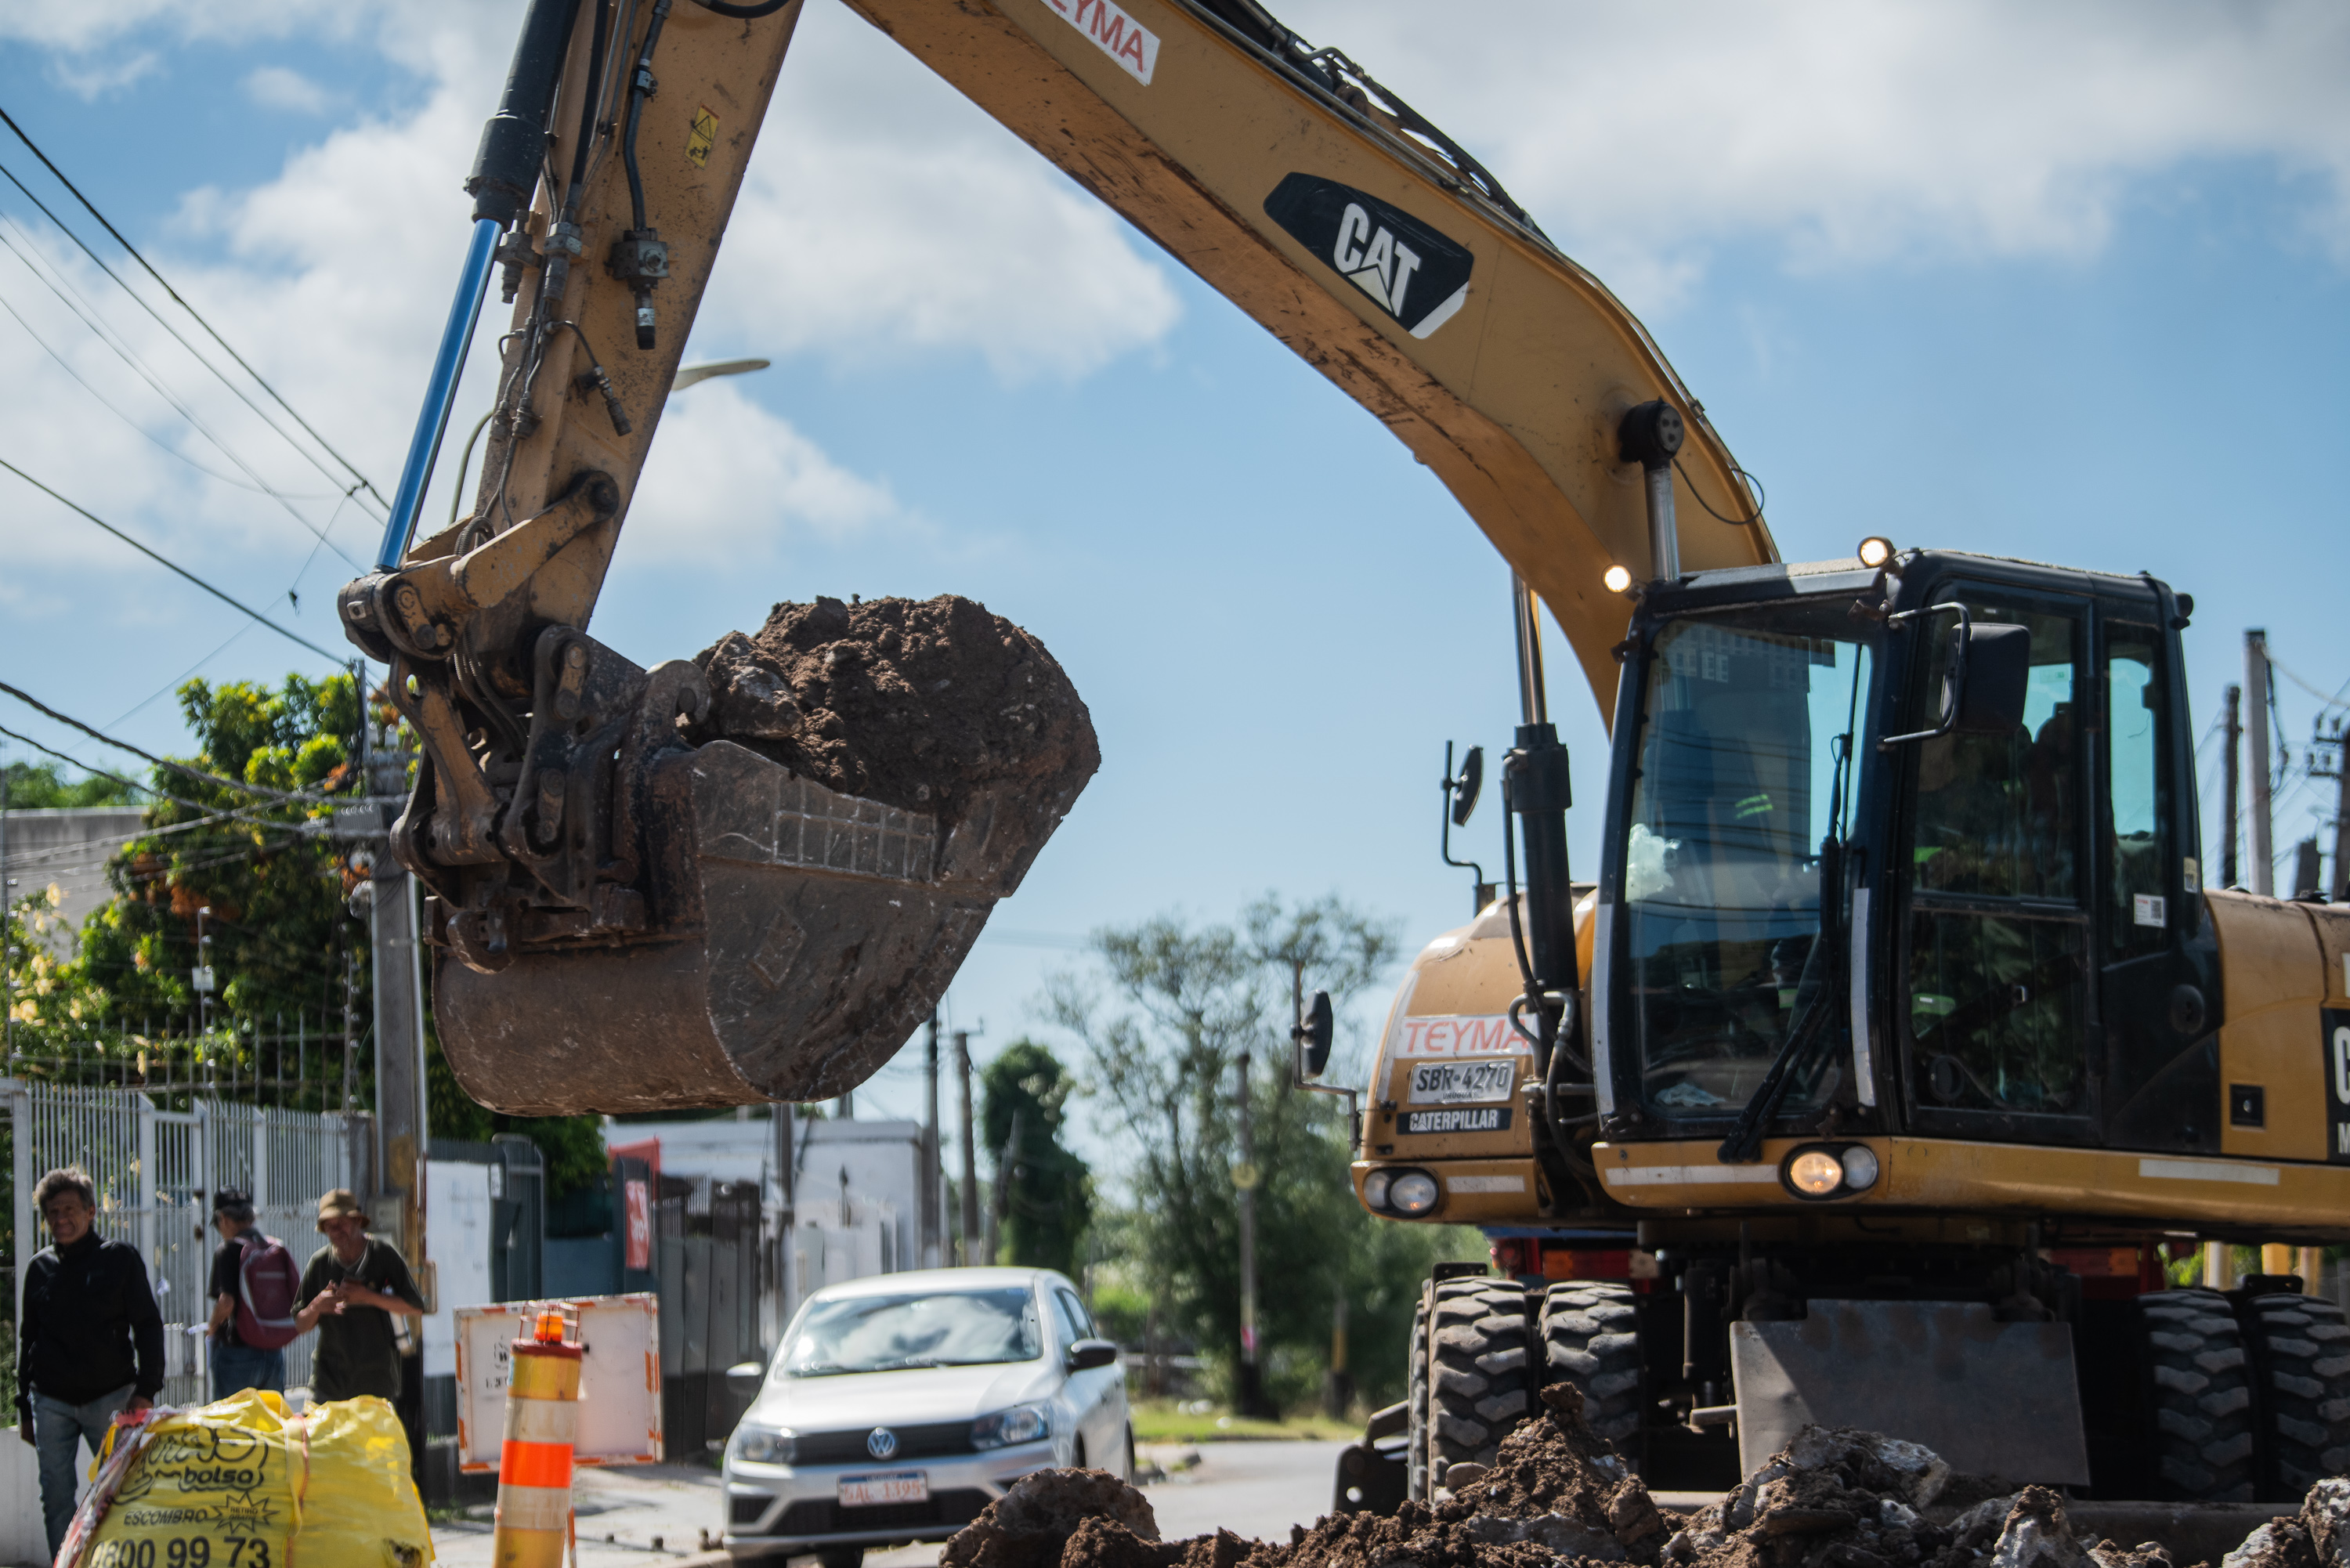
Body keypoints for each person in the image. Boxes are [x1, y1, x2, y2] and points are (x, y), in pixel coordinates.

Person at [16, 1165, 164, 1559]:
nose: (61, 1219)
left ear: (91, 1211)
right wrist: (24, 1409)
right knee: (57, 1496)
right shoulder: (39, 1268)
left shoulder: (120, 1259)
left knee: (118, 1492)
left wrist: (146, 1389)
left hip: (112, 1399)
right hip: (51, 1401)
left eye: (69, 1209)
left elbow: (148, 1326)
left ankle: (114, 1561)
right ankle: (65, 1562)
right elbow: (28, 1338)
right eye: (52, 1212)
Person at [297, 1189, 425, 1404]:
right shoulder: (319, 1263)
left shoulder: (382, 1254)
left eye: (342, 1222)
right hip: (327, 1383)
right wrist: (317, 1306)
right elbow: (300, 1324)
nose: (336, 1230)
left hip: (375, 1382)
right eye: (329, 1225)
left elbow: (415, 1306)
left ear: (357, 1221)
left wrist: (366, 1296)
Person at [206, 1189, 330, 1400]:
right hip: (273, 1353)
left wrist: (212, 1327)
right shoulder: (271, 1247)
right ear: (251, 1217)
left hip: (237, 1353)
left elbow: (226, 1303)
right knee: (270, 1425)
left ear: (223, 1219)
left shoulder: (227, 1249)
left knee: (231, 1425)